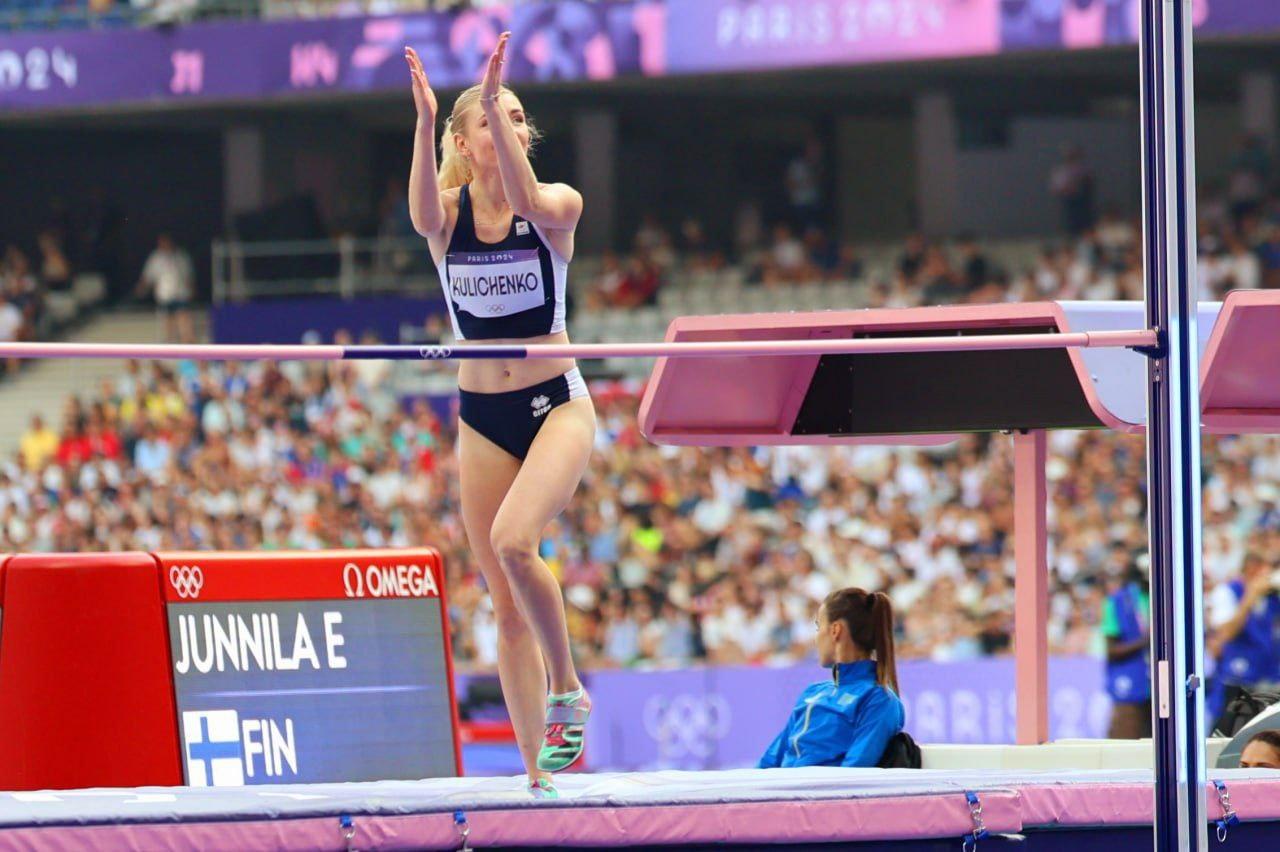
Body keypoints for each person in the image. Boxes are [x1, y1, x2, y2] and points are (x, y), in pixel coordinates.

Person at [405, 33, 592, 799]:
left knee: (517, 544)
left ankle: (568, 688)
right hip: (482, 417)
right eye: (491, 119)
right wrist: (423, 122)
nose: (507, 126)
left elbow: (523, 197)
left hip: (556, 407)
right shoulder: (447, 217)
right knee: (504, 608)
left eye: (515, 116)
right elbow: (421, 215)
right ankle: (535, 783)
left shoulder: (556, 206)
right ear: (462, 140)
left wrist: (486, 99)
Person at [758, 588, 905, 768]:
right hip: (782, 792)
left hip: (819, 795)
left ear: (835, 630)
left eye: (818, 627)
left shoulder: (878, 700)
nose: (816, 638)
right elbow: (769, 762)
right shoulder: (812, 692)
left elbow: (852, 774)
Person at [1207, 553, 1280, 723]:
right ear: (1251, 568)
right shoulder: (1228, 592)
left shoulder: (1272, 597)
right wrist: (1249, 597)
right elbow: (1226, 633)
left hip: (1269, 677)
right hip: (1237, 681)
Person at [1102, 562, 1151, 738]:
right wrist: (1146, 641)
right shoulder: (1117, 601)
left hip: (1156, 680)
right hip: (1130, 677)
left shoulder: (1160, 598)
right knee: (1127, 730)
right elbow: (1111, 650)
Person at [136, 233, 195, 343]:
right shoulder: (155, 258)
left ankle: (187, 342)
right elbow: (148, 276)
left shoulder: (181, 256)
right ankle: (170, 342)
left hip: (180, 294)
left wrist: (191, 289)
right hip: (165, 295)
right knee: (168, 320)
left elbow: (188, 276)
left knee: (183, 317)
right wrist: (142, 288)